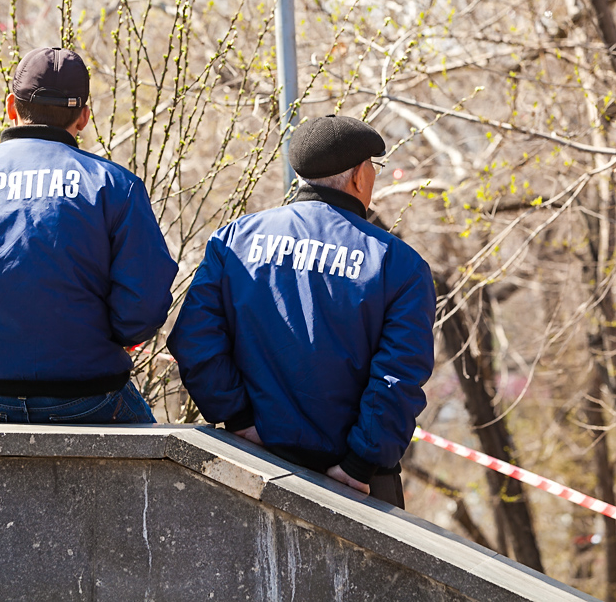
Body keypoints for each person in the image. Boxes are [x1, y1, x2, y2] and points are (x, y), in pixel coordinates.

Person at [0, 46, 177, 424]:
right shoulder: (114, 186)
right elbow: (144, 304)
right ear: (84, 117)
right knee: (156, 474)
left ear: (11, 106)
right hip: (92, 394)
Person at [167, 115, 436, 508]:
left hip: (250, 463)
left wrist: (239, 420)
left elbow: (193, 340)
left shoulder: (234, 240)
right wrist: (359, 465)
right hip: (356, 486)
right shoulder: (398, 264)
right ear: (360, 176)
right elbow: (399, 376)